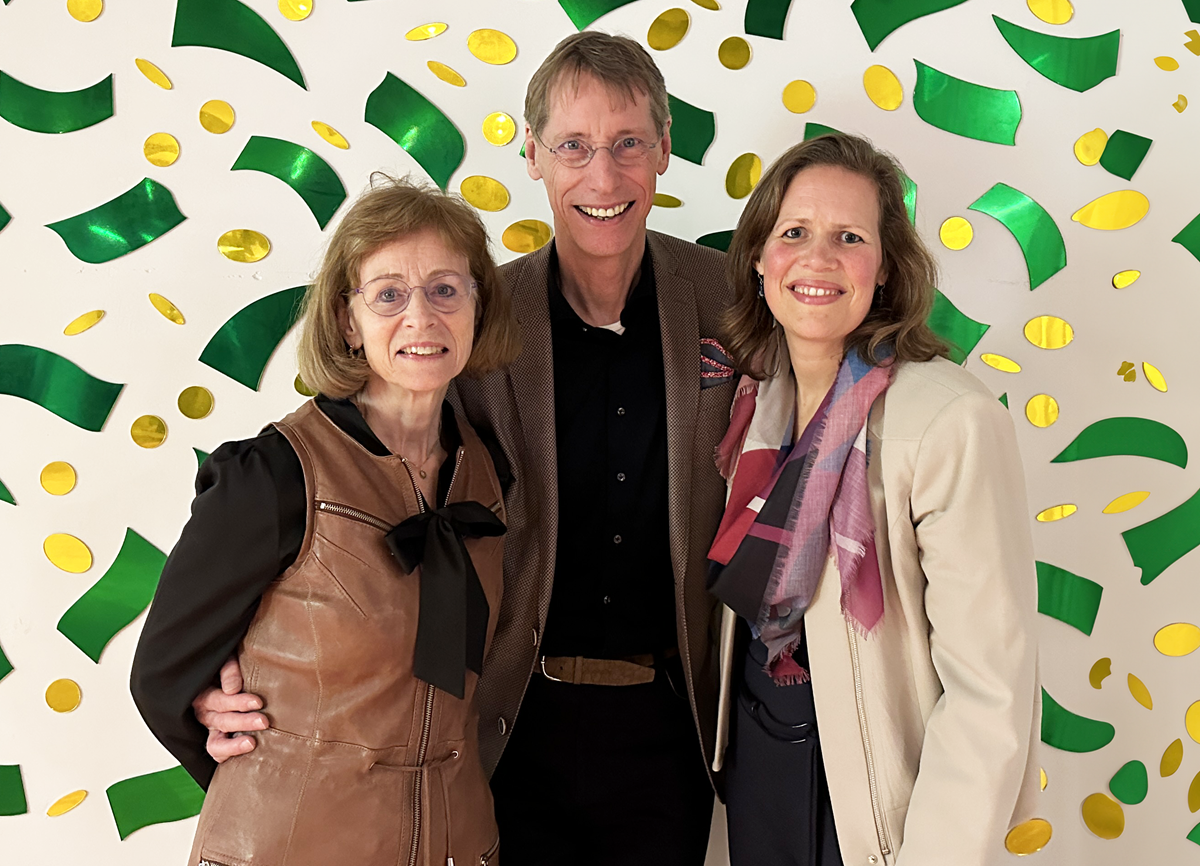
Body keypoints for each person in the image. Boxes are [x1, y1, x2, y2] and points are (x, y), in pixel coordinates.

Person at [190, 32, 735, 866]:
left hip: (672, 725)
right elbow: (357, 471)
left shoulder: (730, 298)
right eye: (574, 147)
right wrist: (222, 667)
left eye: (629, 143)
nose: (603, 176)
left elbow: (827, 393)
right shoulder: (476, 317)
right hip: (506, 725)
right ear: (534, 158)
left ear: (665, 148)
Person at [130, 176, 519, 866]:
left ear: (476, 306)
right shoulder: (274, 475)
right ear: (347, 320)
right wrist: (219, 723)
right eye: (388, 294)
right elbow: (164, 673)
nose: (421, 317)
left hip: (457, 845)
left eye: (445, 289)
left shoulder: (487, 475)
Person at [707, 133, 1041, 866]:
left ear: (884, 268)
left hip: (874, 815)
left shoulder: (950, 421)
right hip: (761, 778)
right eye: (793, 233)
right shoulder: (755, 408)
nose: (817, 259)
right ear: (759, 257)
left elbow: (992, 695)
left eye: (848, 237)